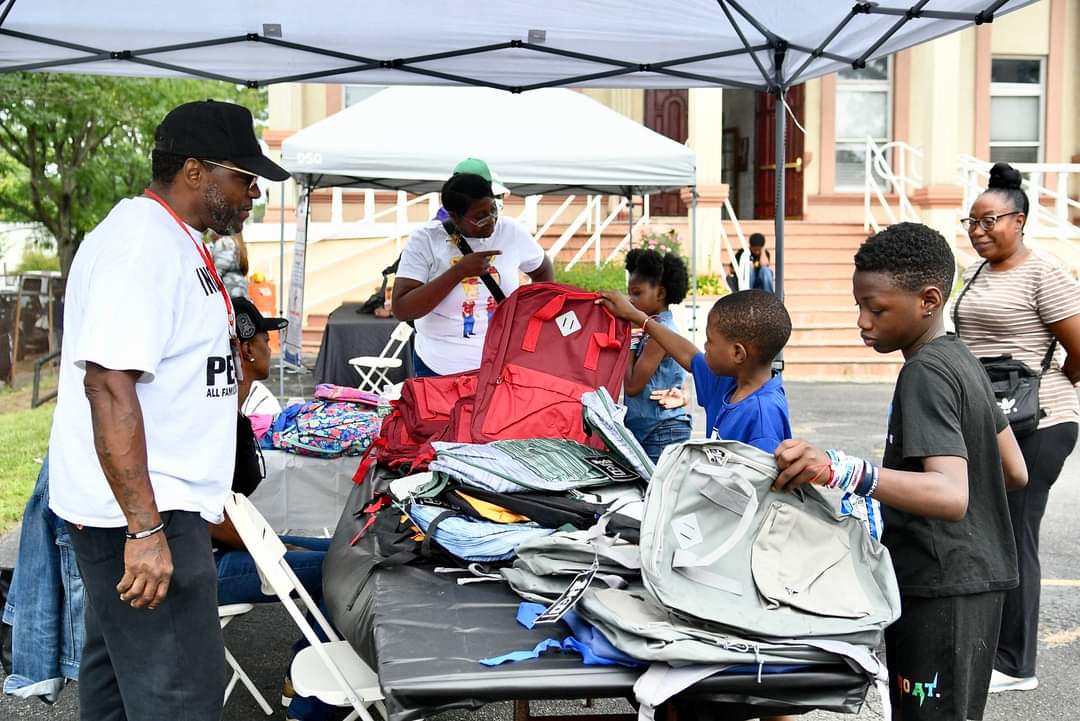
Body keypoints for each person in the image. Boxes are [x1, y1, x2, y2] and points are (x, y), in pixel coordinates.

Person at [46, 99, 290, 721]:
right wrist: (146, 530)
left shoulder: (171, 239)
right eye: (243, 176)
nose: (254, 192)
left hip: (153, 505)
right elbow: (107, 383)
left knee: (121, 688)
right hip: (148, 513)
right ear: (193, 171)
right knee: (179, 697)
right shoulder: (141, 246)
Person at [773, 222, 1028, 721]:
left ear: (928, 300)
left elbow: (951, 495)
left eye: (877, 308)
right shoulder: (960, 358)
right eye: (859, 306)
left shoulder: (924, 374)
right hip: (978, 582)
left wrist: (843, 472)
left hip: (939, 585)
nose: (863, 322)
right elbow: (1013, 469)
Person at [952, 162, 1080, 693]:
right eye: (972, 223)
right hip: (994, 422)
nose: (979, 231)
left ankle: (1016, 664)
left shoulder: (1043, 272)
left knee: (1017, 533)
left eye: (990, 221)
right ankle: (997, 650)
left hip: (1042, 421)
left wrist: (1044, 383)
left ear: (1020, 220)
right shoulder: (980, 271)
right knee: (995, 533)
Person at [211, 295, 332, 721]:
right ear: (246, 348)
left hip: (233, 546)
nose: (270, 346)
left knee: (342, 554)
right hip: (209, 565)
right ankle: (310, 699)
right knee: (341, 573)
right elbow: (209, 518)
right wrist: (275, 551)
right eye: (265, 337)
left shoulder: (236, 404)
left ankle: (307, 674)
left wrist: (275, 546)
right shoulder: (214, 414)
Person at [393, 172, 554, 376]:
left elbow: (543, 269)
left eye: (493, 210)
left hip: (501, 362)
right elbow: (402, 308)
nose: (491, 221)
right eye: (480, 217)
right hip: (439, 366)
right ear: (454, 216)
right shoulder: (425, 240)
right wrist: (459, 271)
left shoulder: (511, 231)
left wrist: (534, 315)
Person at [598, 288, 793, 454]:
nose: (705, 347)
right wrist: (639, 318)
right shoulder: (729, 381)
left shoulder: (763, 416)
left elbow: (761, 490)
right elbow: (688, 355)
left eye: (710, 340)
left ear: (737, 353)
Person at [620, 248, 692, 463]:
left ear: (660, 293)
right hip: (655, 426)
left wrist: (631, 336)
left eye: (636, 293)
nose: (630, 300)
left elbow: (632, 386)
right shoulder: (653, 329)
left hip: (661, 430)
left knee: (656, 494)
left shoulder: (659, 335)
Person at [209, 229, 251, 298]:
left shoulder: (224, 243)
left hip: (229, 295)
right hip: (241, 293)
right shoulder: (238, 243)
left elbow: (217, 274)